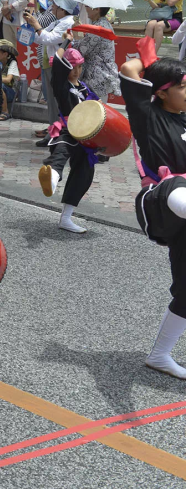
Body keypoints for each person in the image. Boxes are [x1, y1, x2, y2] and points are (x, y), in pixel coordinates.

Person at [120, 53, 186, 379]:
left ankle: (160, 355)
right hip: (160, 202)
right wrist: (153, 62)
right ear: (160, 91)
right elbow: (129, 68)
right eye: (183, 87)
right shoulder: (146, 114)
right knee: (177, 185)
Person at [37, 40, 97, 233]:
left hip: (86, 135)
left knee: (84, 173)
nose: (76, 71)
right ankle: (51, 180)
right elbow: (59, 64)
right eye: (72, 67)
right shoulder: (61, 84)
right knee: (60, 154)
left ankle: (66, 218)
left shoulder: (85, 87)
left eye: (79, 67)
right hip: (68, 129)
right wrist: (67, 42)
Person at [24, 0, 77, 144]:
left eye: (56, 6)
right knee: (52, 102)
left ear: (63, 9)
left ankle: (58, 135)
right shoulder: (58, 22)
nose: (52, 8)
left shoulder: (68, 22)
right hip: (50, 64)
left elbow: (50, 39)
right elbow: (38, 38)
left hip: (59, 66)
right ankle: (53, 133)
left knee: (58, 102)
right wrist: (32, 25)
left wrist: (36, 25)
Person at [73, 6, 120, 100]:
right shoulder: (104, 24)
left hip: (96, 77)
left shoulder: (98, 28)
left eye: (88, 6)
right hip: (101, 75)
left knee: (93, 111)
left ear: (97, 9)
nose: (86, 8)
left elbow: (80, 51)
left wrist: (76, 33)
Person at [0, 39, 19, 119]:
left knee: (0, 85)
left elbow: (8, 80)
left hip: (11, 92)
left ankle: (5, 111)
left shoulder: (12, 63)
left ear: (5, 54)